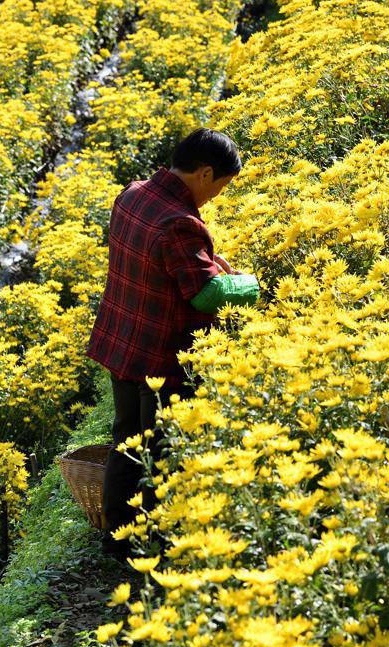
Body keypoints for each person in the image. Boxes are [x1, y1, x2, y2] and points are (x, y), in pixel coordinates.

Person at [87, 128, 261, 559]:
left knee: (126, 437)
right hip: (163, 351)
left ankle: (117, 536)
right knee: (161, 446)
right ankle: (155, 544)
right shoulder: (180, 222)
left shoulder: (133, 194)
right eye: (220, 186)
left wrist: (206, 267)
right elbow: (203, 294)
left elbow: (160, 266)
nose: (216, 196)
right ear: (205, 173)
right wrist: (246, 284)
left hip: (123, 339)